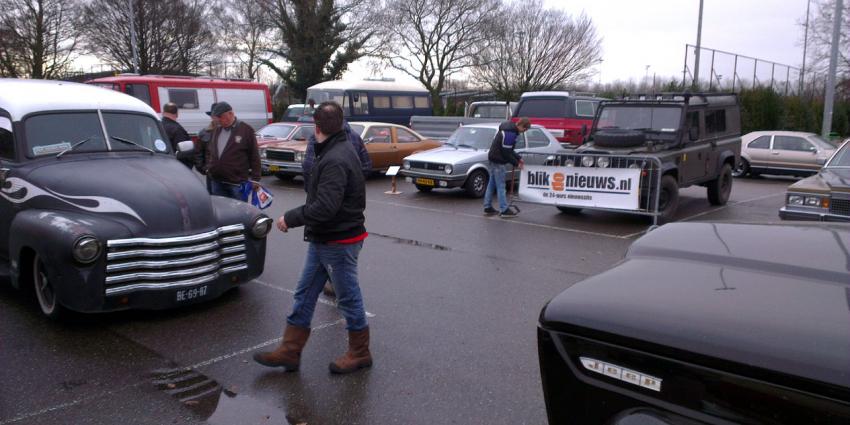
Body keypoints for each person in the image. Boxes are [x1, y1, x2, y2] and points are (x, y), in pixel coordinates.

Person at [253, 101, 372, 375]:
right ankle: (290, 351)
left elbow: (326, 206)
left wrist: (290, 218)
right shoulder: (336, 148)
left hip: (339, 241)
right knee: (305, 292)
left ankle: (360, 352)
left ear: (316, 127)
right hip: (325, 238)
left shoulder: (335, 158)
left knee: (348, 297)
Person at [302, 121, 372, 298]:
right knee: (304, 292)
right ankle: (298, 323)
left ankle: (337, 285)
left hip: (335, 224)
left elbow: (308, 167)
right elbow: (366, 166)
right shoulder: (352, 138)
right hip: (330, 220)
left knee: (347, 293)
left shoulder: (326, 143)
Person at [205, 102, 261, 200]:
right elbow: (210, 151)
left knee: (239, 212)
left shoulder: (246, 130)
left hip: (237, 183)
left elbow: (254, 156)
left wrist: (256, 179)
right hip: (217, 181)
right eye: (216, 117)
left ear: (231, 114)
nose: (218, 120)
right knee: (220, 212)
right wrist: (208, 168)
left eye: (220, 116)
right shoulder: (216, 130)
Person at [483, 117, 530, 218]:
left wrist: (518, 158)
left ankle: (487, 206)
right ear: (522, 126)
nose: (523, 132)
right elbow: (506, 153)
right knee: (501, 186)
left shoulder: (508, 129)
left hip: (493, 158)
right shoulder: (510, 133)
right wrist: (516, 164)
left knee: (492, 184)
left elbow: (509, 150)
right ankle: (504, 209)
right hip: (498, 161)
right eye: (524, 130)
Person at [195, 103, 220, 193]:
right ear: (212, 116)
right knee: (215, 201)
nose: (218, 118)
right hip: (212, 175)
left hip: (231, 177)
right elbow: (198, 153)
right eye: (216, 115)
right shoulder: (204, 133)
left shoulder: (232, 132)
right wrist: (203, 168)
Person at [161, 102, 193, 168]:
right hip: (175, 166)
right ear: (177, 114)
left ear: (163, 112)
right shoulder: (178, 129)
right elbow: (184, 153)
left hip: (159, 162)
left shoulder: (156, 126)